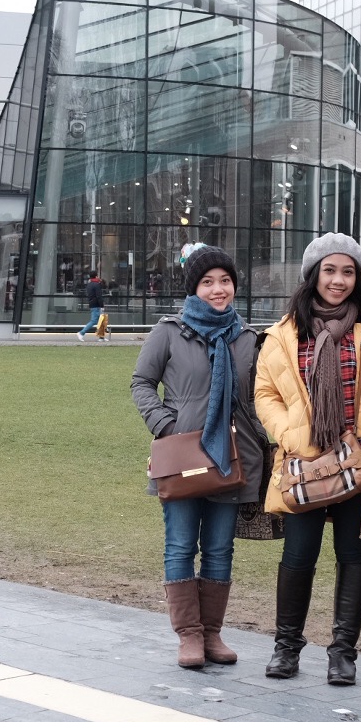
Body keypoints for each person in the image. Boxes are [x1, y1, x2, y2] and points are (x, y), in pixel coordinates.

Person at [254, 233, 361, 685]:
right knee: (299, 553)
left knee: (353, 553)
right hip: (305, 461)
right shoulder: (285, 334)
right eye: (329, 270)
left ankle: (343, 653)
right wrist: (290, 434)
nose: (338, 280)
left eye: (348, 272)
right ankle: (286, 647)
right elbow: (265, 394)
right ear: (313, 275)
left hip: (357, 462)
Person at [132, 246, 267, 669]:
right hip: (182, 458)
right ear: (193, 288)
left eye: (225, 281)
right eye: (208, 282)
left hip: (231, 458)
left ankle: (211, 633)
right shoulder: (169, 332)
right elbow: (141, 383)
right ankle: (188, 634)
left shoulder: (247, 338)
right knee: (179, 545)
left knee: (220, 548)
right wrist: (167, 426)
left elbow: (259, 397)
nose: (218, 289)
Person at [76, 270, 106, 341]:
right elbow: (99, 296)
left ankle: (101, 337)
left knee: (101, 320)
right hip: (97, 305)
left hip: (92, 304)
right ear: (96, 276)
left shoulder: (89, 284)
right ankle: (81, 333)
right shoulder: (97, 284)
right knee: (94, 321)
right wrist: (102, 305)